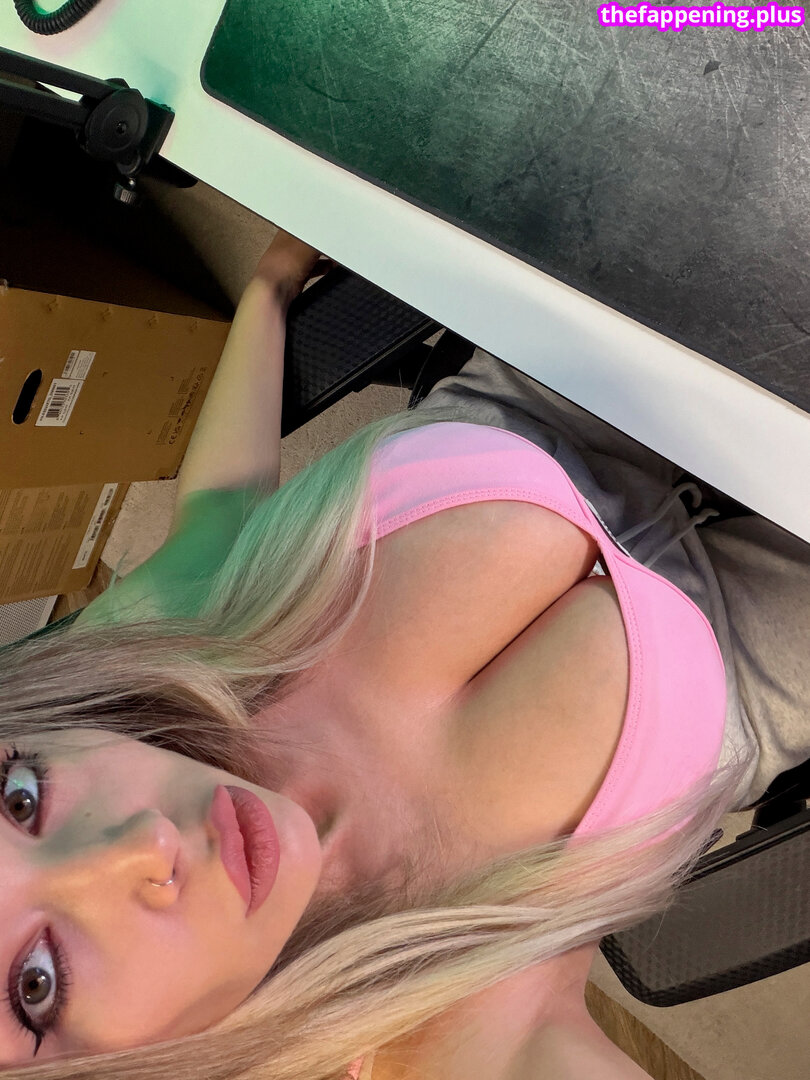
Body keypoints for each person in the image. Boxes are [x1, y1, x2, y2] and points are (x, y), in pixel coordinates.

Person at [1, 228, 807, 1080]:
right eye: (36, 982)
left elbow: (221, 504)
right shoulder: (424, 1031)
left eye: (18, 799)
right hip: (746, 665)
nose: (141, 841)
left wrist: (270, 286)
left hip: (558, 397)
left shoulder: (144, 665)